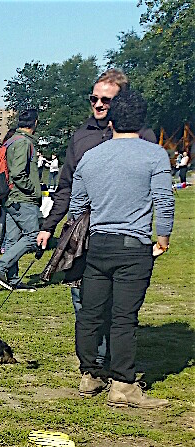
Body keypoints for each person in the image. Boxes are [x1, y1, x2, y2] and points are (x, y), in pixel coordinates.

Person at [68, 88, 173, 409]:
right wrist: (163, 238)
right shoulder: (154, 155)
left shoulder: (90, 157)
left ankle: (90, 375)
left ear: (111, 120)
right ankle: (124, 385)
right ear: (142, 123)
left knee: (90, 314)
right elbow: (164, 202)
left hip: (97, 246)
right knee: (124, 317)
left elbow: (76, 207)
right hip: (134, 247)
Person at [0, 109, 41, 290]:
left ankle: (12, 279)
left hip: (10, 198)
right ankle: (0, 267)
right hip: (23, 198)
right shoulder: (24, 143)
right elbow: (18, 173)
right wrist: (33, 189)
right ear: (35, 123)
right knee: (32, 236)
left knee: (12, 239)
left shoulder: (11, 141)